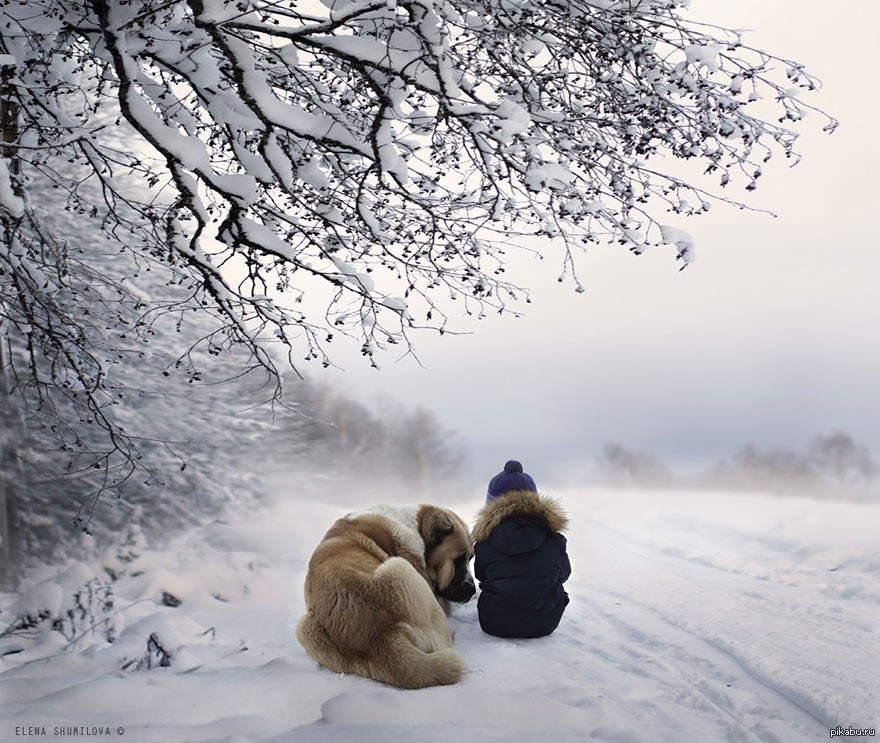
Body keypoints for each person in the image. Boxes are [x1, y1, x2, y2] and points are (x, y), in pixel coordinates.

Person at [471, 460, 571, 639]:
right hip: (545, 622)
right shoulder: (553, 538)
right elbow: (564, 573)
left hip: (494, 622)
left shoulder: (485, 541)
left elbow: (482, 575)